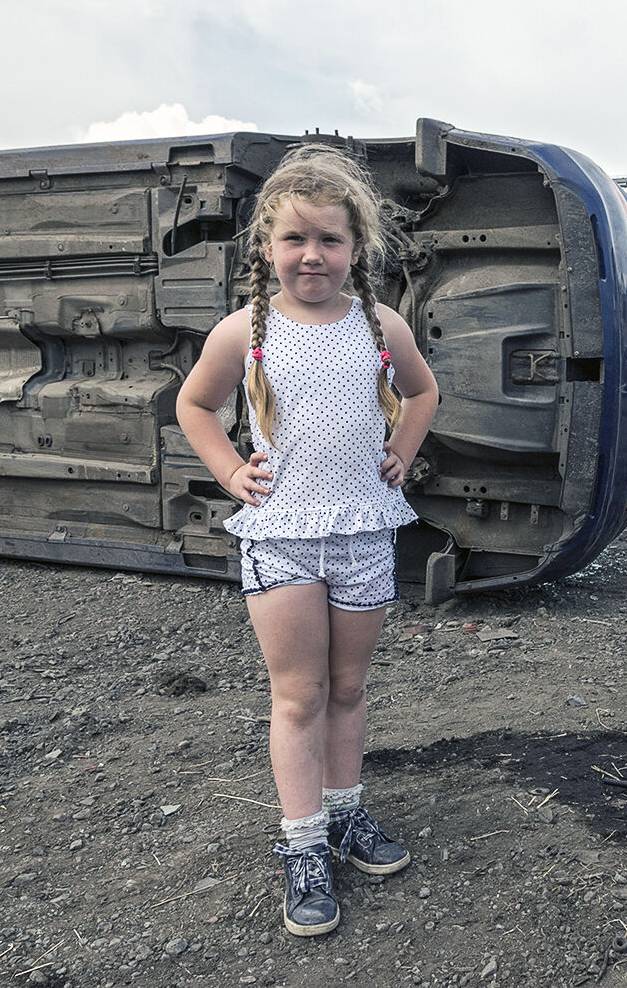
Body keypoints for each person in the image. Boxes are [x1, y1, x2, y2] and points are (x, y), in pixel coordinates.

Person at [176, 144, 440, 936]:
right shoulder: (243, 334)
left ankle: (345, 812)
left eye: (329, 239)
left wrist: (404, 448)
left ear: (356, 248)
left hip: (362, 532)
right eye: (295, 239)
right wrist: (230, 471)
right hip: (282, 538)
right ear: (267, 247)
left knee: (349, 689)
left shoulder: (378, 325)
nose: (312, 255)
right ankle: (302, 844)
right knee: (299, 695)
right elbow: (193, 406)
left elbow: (422, 392)